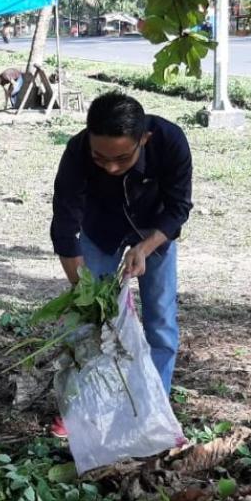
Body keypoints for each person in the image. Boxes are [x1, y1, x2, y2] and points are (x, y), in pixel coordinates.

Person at [50, 91, 193, 413]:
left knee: (160, 317)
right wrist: (84, 291)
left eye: (122, 159)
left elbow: (178, 208)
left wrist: (144, 248)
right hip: (100, 229)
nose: (111, 167)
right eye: (100, 159)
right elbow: (64, 225)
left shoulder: (170, 141)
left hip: (153, 231)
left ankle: (153, 404)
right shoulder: (76, 151)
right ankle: (88, 404)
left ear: (144, 139)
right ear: (89, 140)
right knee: (89, 323)